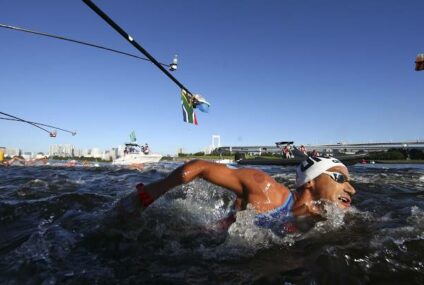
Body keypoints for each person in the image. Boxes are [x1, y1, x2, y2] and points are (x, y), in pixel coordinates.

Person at [116, 156, 356, 234]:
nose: (351, 188)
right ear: (311, 182)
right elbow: (199, 166)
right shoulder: (266, 190)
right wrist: (152, 193)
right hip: (210, 237)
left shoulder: (326, 222)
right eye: (341, 179)